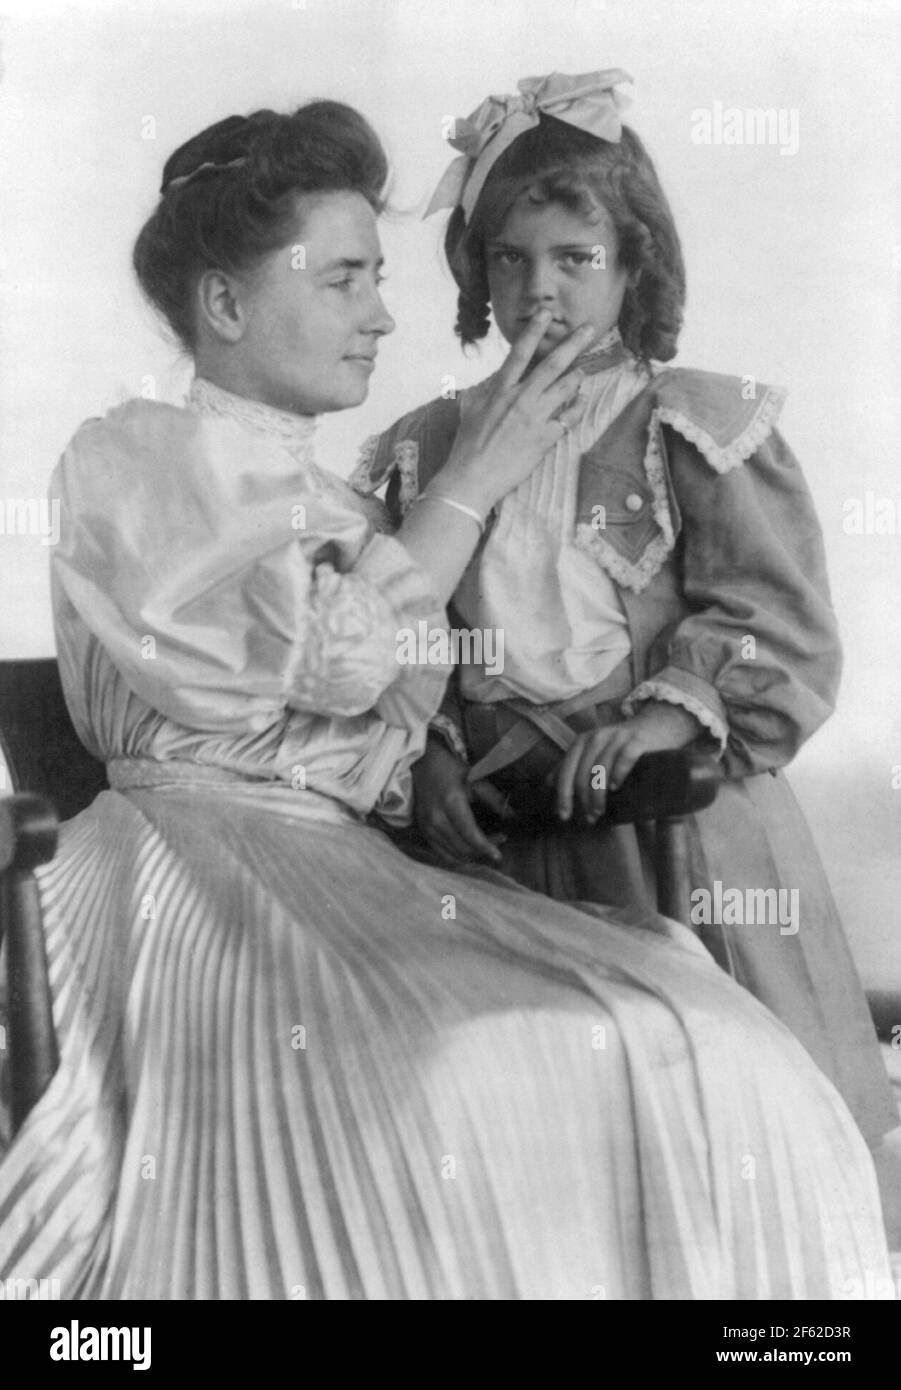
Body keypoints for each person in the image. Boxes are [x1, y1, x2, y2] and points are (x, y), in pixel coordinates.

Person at [0, 98, 892, 1300]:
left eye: (382, 277)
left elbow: (401, 698)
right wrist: (471, 486)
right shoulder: (141, 459)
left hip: (382, 864)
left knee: (698, 1032)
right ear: (223, 304)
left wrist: (425, 745)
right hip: (194, 877)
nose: (383, 315)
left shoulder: (364, 507)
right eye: (347, 280)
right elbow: (340, 659)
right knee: (470, 1065)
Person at [351, 70, 897, 1155]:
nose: (539, 290)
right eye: (510, 259)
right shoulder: (428, 447)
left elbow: (776, 624)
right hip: (505, 841)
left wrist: (663, 716)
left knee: (718, 1116)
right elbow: (402, 630)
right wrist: (437, 756)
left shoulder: (691, 426)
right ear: (475, 268)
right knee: (548, 1130)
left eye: (574, 258)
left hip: (670, 826)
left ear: (634, 258)